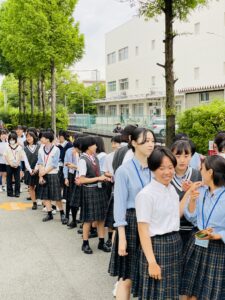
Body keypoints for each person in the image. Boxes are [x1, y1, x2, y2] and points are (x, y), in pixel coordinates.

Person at [134, 147, 200, 300]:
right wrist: (151, 262)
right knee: (156, 294)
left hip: (174, 243)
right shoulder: (146, 195)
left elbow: (175, 214)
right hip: (156, 247)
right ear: (152, 168)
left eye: (170, 167)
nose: (167, 172)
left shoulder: (170, 189)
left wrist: (189, 193)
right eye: (161, 168)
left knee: (171, 293)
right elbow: (143, 230)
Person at [108, 127, 155, 300]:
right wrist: (122, 237)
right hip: (131, 222)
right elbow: (119, 205)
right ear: (134, 143)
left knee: (146, 274)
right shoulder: (124, 170)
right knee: (126, 277)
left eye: (152, 140)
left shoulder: (155, 168)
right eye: (145, 141)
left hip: (151, 222)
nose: (150, 144)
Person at [180, 155, 225, 300]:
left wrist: (219, 235)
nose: (200, 172)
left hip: (217, 248)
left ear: (210, 172)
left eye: (202, 169)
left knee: (206, 294)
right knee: (189, 291)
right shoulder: (202, 190)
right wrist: (192, 200)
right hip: (198, 241)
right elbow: (192, 217)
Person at [76, 136, 111, 254]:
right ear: (88, 147)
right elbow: (82, 179)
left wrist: (105, 176)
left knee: (101, 218)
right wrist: (99, 178)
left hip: (99, 189)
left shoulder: (94, 157)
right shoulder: (82, 160)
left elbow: (98, 173)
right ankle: (85, 243)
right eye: (94, 145)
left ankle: (101, 242)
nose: (96, 146)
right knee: (88, 219)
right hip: (89, 191)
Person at [171, 140, 202, 246]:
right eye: (178, 156)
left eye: (186, 155)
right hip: (172, 230)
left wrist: (193, 190)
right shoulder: (166, 176)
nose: (182, 160)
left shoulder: (198, 175)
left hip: (193, 229)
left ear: (191, 156)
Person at [37, 131, 67, 223]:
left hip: (53, 174)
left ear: (47, 139)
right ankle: (49, 214)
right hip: (44, 174)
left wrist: (43, 172)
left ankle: (62, 213)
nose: (41, 139)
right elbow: (40, 162)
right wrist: (41, 176)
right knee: (46, 196)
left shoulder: (56, 149)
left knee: (57, 196)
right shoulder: (41, 149)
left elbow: (54, 164)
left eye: (42, 137)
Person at [4, 132, 32, 197]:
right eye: (10, 139)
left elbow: (21, 156)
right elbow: (5, 156)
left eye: (13, 139)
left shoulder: (19, 147)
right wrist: (10, 163)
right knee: (9, 179)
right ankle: (10, 192)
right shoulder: (7, 146)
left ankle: (17, 192)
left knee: (17, 179)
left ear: (15, 139)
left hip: (17, 165)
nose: (12, 141)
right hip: (9, 165)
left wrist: (17, 163)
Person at [63, 139, 80, 227]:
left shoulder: (82, 153)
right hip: (71, 174)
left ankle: (77, 218)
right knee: (69, 197)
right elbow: (66, 164)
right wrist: (65, 178)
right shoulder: (69, 151)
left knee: (77, 198)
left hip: (80, 175)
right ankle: (67, 216)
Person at [24, 131, 40, 210]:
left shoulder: (39, 147)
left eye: (30, 136)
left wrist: (36, 169)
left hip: (38, 170)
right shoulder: (25, 148)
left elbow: (40, 159)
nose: (28, 138)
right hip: (29, 170)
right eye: (27, 137)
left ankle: (43, 202)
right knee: (31, 186)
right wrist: (30, 170)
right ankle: (34, 202)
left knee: (40, 186)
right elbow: (25, 160)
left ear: (34, 137)